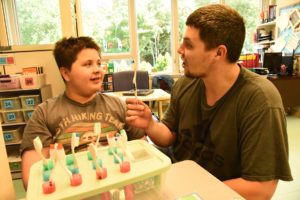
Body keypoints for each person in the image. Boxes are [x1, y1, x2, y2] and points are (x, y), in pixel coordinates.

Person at [126, 4, 292, 200]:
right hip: (177, 183)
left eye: (189, 45)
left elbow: (260, 190)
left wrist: (188, 190)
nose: (180, 50)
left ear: (218, 53)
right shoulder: (185, 84)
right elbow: (170, 136)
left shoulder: (259, 100)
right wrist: (150, 125)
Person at [20, 36, 145, 190]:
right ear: (66, 73)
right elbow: (32, 177)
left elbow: (143, 150)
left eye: (99, 63)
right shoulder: (44, 113)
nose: (98, 69)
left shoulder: (119, 106)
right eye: (88, 64)